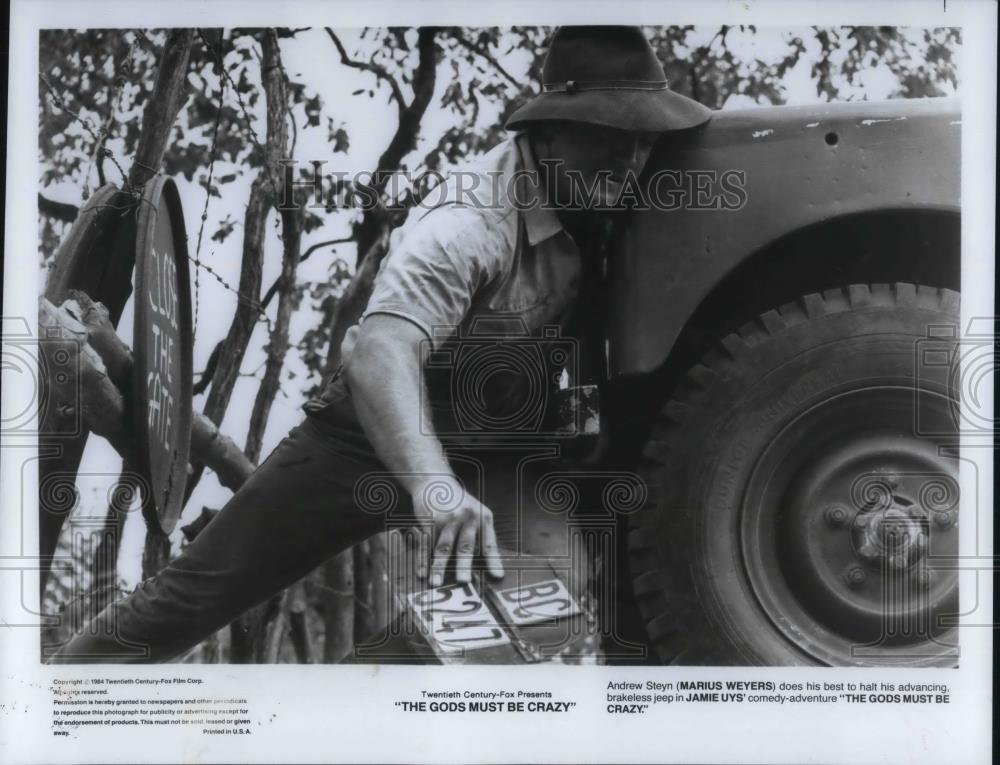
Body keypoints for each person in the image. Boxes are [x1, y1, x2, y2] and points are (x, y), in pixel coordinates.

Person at [50, 25, 710, 662]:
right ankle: (51, 700)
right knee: (184, 601)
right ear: (550, 131)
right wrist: (432, 485)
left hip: (499, 450)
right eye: (611, 136)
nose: (631, 158)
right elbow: (381, 350)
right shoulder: (468, 219)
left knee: (544, 607)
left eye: (644, 140)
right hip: (362, 437)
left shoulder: (620, 195)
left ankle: (343, 712)